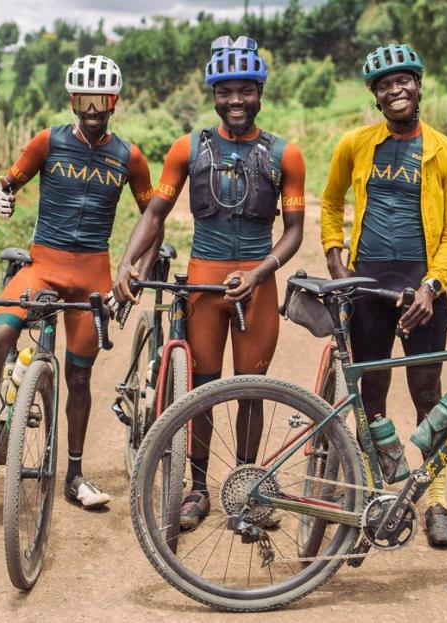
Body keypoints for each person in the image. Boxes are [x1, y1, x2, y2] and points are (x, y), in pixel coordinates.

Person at [113, 35, 306, 531]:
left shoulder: (286, 154)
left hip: (256, 286)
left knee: (251, 390)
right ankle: (197, 488)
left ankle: (247, 485)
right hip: (204, 283)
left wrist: (261, 272)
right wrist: (128, 261)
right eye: (225, 92)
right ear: (213, 94)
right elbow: (155, 212)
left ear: (259, 91)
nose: (235, 101)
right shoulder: (188, 149)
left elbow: (294, 232)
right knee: (201, 388)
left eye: (244, 90)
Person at [0, 55, 153, 508]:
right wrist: (1, 199)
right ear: (72, 100)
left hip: (93, 275)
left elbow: (152, 220)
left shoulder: (129, 157)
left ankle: (75, 476)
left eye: (100, 99)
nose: (92, 108)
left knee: (79, 378)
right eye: (84, 98)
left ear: (113, 101)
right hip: (43, 265)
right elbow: (5, 184)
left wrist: (134, 268)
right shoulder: (48, 142)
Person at [319, 43, 447, 548]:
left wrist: (433, 284)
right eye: (385, 85)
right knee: (372, 396)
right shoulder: (355, 144)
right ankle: (374, 492)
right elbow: (330, 200)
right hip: (367, 290)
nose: (396, 89)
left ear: (418, 84)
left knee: (428, 397)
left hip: (421, 291)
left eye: (403, 80)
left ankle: (436, 501)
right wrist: (336, 261)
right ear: (376, 96)